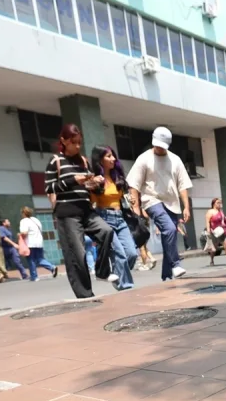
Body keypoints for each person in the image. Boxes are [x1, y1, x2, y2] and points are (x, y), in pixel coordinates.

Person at [44, 123, 114, 298]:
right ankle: (85, 295)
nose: (77, 146)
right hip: (67, 213)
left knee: (106, 232)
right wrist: (74, 179)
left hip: (86, 210)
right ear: (63, 141)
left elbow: (89, 186)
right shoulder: (56, 161)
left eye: (79, 142)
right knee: (78, 254)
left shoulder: (83, 161)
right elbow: (49, 188)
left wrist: (95, 183)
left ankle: (102, 271)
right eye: (73, 142)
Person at [127, 126, 192, 281]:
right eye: (157, 145)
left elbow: (182, 185)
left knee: (167, 236)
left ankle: (166, 276)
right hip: (151, 201)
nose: (160, 149)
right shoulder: (144, 159)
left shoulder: (175, 160)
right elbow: (134, 185)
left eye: (163, 147)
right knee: (169, 229)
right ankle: (176, 264)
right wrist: (136, 208)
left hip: (172, 202)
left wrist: (186, 207)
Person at [89, 145, 139, 290]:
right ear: (100, 159)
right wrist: (91, 185)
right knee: (119, 255)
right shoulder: (96, 179)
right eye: (108, 156)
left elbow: (126, 195)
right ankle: (126, 288)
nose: (113, 159)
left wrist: (132, 203)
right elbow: (91, 202)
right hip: (105, 219)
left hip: (120, 218)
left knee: (131, 254)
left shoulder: (116, 176)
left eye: (113, 155)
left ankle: (118, 276)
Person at [19, 206, 59, 281]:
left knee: (31, 260)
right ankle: (52, 267)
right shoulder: (36, 220)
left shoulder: (24, 221)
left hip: (30, 243)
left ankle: (34, 276)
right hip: (39, 242)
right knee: (39, 259)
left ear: (23, 213)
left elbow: (24, 232)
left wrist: (19, 234)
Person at [205, 197, 226, 266]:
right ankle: (212, 260)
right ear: (214, 204)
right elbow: (207, 222)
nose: (219, 204)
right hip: (215, 232)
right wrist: (208, 231)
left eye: (220, 203)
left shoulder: (221, 212)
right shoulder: (210, 212)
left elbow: (224, 221)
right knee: (214, 248)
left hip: (223, 231)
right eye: (218, 203)